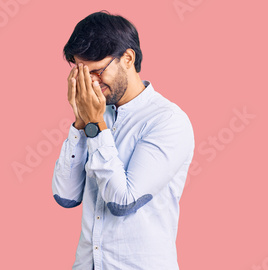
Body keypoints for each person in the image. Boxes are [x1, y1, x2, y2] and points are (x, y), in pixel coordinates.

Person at [51, 11, 195, 270]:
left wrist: (96, 125)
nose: (90, 84)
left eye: (96, 71)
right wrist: (81, 124)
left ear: (127, 58)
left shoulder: (167, 121)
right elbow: (65, 196)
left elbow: (123, 202)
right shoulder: (96, 113)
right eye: (82, 74)